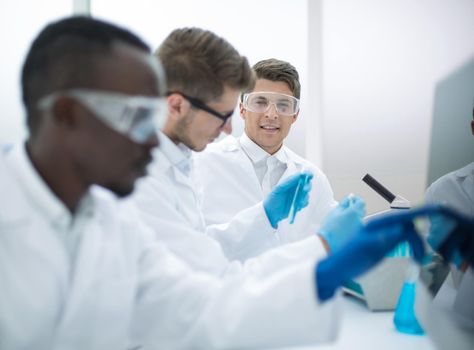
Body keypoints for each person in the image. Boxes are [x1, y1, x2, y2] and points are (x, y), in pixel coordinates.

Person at [0, 17, 425, 349]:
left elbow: (203, 303)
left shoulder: (108, 219)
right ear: (70, 115)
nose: (154, 139)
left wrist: (327, 264)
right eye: (138, 117)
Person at [194, 58, 337, 247]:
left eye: (283, 105)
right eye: (260, 102)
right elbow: (192, 246)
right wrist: (263, 217)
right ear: (242, 109)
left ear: (295, 115)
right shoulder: (203, 163)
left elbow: (333, 244)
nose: (271, 114)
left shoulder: (313, 179)